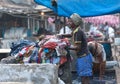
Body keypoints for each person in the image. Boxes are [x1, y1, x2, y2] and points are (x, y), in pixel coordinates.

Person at [69, 13, 93, 84]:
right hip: (82, 57)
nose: (69, 23)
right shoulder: (75, 31)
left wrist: (67, 47)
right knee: (83, 76)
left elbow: (77, 48)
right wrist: (62, 36)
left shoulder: (78, 32)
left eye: (70, 21)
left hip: (84, 57)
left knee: (84, 77)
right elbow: (70, 34)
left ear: (75, 22)